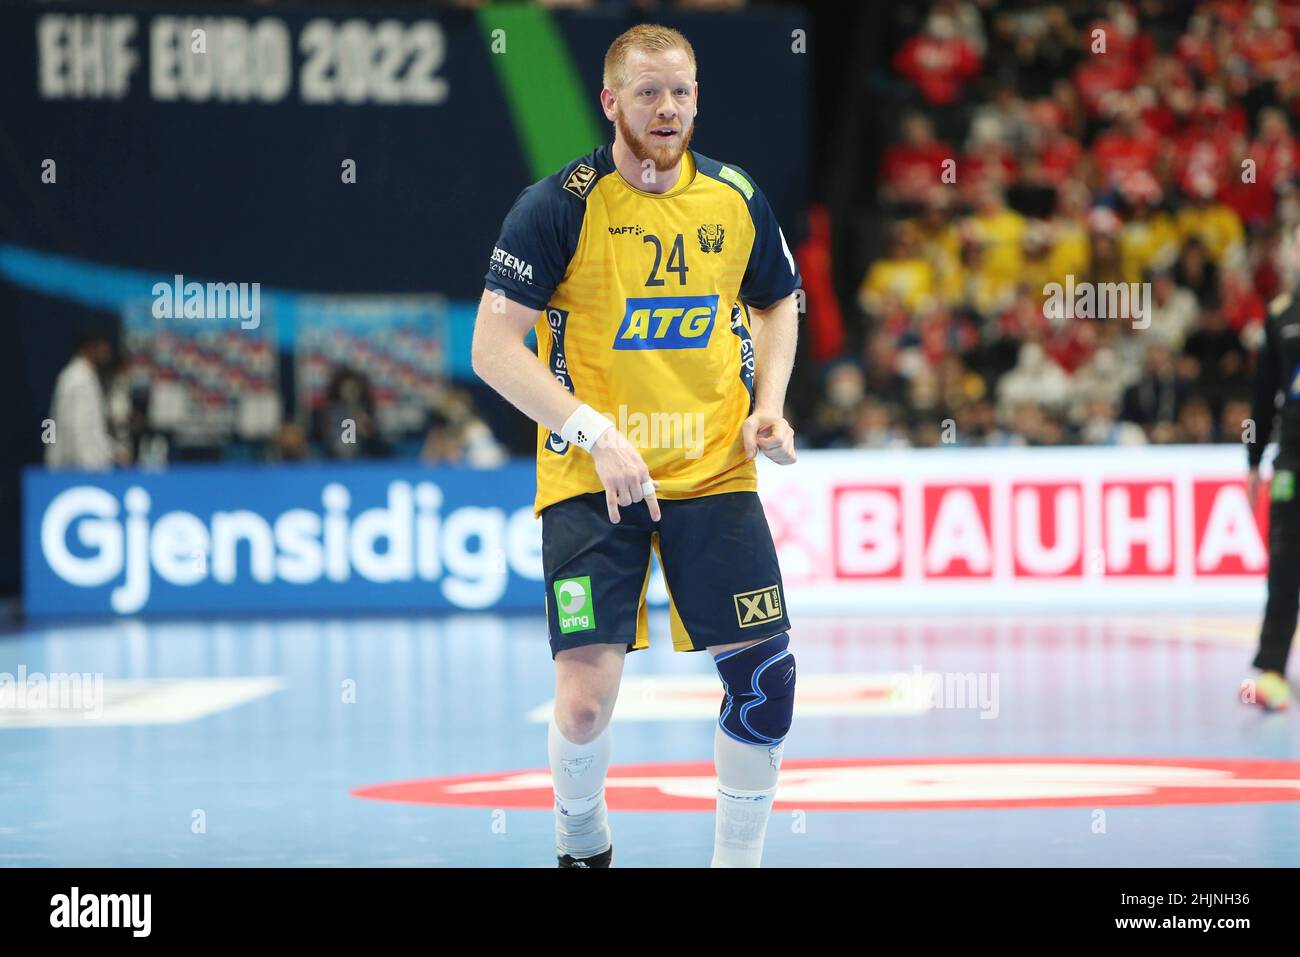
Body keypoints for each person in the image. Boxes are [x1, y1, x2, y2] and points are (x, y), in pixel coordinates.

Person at [472, 24, 800, 867]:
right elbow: (492, 349)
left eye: (682, 91)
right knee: (584, 706)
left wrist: (771, 404)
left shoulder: (733, 196)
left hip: (713, 469)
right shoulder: (558, 206)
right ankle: (581, 839)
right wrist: (593, 429)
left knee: (766, 685)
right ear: (612, 100)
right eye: (649, 92)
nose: (668, 108)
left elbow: (778, 298)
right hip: (592, 475)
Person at [1245, 286, 1300, 710]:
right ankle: (1272, 671)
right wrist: (1253, 461)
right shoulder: (1281, 314)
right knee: (1284, 563)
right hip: (1292, 461)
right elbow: (1262, 395)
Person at [45, 327, 118, 470]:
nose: (107, 351)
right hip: (77, 467)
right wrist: (87, 469)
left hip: (82, 466)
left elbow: (94, 427)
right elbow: (78, 427)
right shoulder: (78, 377)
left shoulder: (85, 374)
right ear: (91, 347)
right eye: (103, 346)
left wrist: (113, 451)